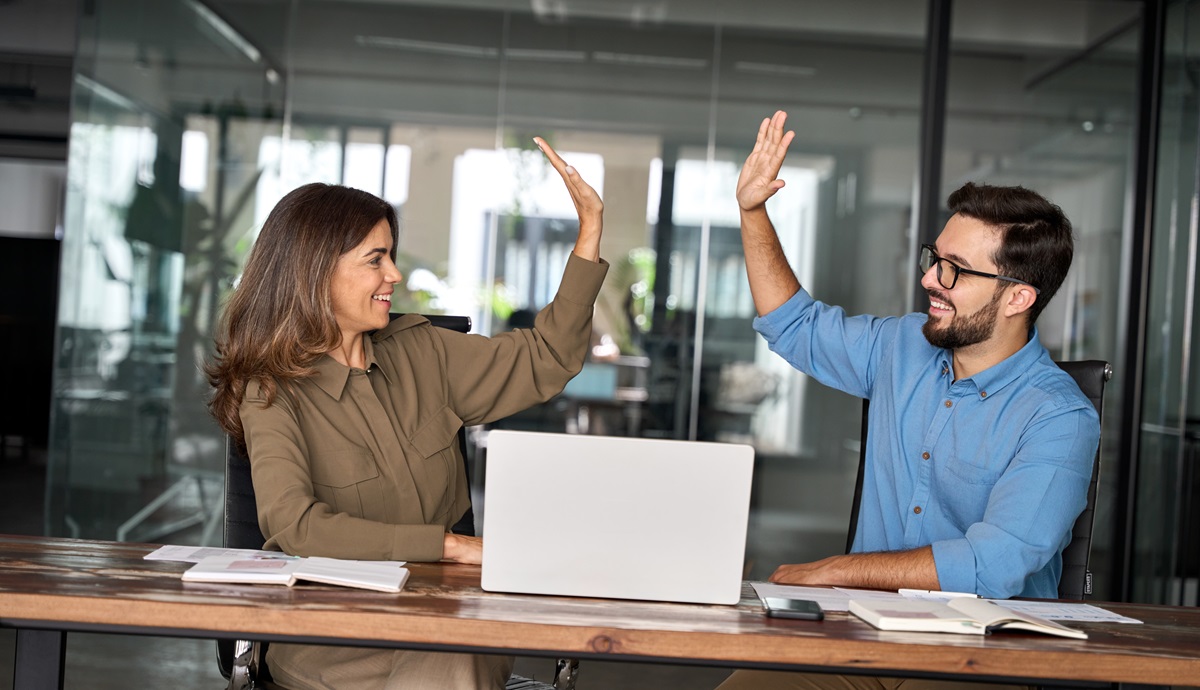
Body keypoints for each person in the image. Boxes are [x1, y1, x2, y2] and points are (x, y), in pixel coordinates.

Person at [205, 137, 607, 690]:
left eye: (391, 255)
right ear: (316, 272)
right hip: (339, 639)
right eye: (376, 260)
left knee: (453, 654)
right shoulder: (270, 389)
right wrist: (448, 546)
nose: (394, 274)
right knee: (445, 664)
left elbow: (548, 358)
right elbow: (295, 525)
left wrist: (589, 233)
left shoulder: (424, 350)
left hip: (447, 622)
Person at [716, 111, 1099, 690]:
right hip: (864, 637)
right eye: (933, 258)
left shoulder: (1059, 417)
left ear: (1018, 296)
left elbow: (994, 564)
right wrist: (752, 212)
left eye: (956, 270)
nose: (930, 280)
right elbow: (792, 325)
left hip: (983, 655)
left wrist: (839, 571)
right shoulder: (901, 347)